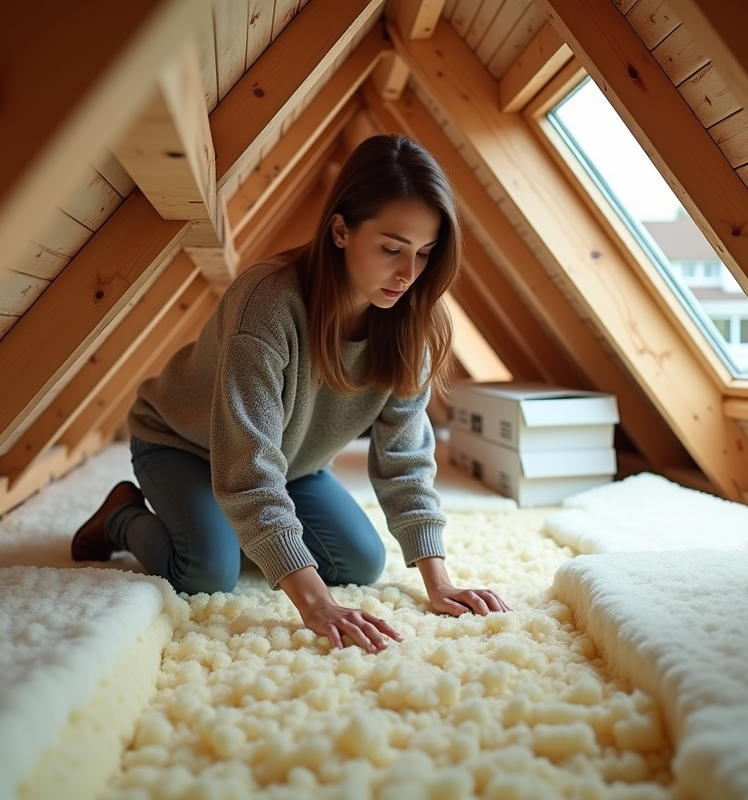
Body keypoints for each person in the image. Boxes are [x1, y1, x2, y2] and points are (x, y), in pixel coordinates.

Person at [72, 133, 510, 653]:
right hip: (185, 445)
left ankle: (234, 530)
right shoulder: (268, 304)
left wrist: (439, 581)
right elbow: (246, 465)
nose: (408, 274)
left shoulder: (416, 321)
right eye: (391, 248)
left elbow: (405, 461)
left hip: (294, 463)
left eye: (425, 253)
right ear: (341, 231)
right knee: (207, 572)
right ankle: (121, 515)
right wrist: (314, 603)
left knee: (361, 563)